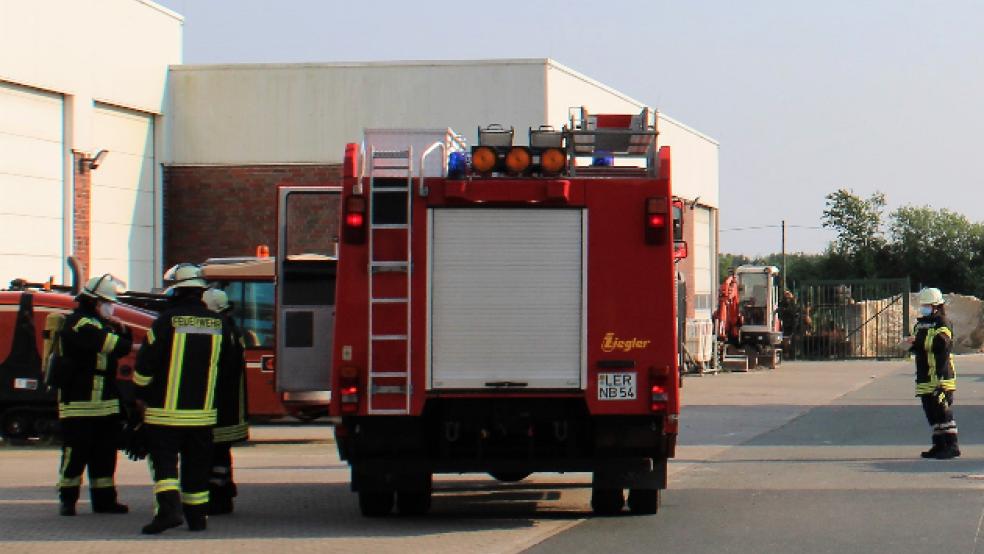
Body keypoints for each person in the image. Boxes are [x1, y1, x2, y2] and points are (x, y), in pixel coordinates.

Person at [133, 264, 234, 534]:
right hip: (203, 414)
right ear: (201, 292)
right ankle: (197, 518)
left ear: (176, 291)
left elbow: (145, 364)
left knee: (165, 465)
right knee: (197, 467)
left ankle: (168, 512)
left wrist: (139, 393)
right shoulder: (219, 323)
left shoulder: (166, 321)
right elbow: (225, 367)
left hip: (164, 413)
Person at [56, 274, 133, 516]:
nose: (111, 307)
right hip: (80, 402)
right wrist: (121, 331)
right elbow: (118, 346)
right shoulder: (81, 324)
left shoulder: (99, 324)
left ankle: (105, 501)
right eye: (107, 303)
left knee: (105, 453)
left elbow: (120, 346)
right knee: (76, 453)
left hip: (105, 402)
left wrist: (121, 329)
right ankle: (68, 500)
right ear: (94, 301)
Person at [202, 288, 248, 515]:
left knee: (213, 454)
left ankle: (216, 498)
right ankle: (224, 492)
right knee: (221, 455)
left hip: (219, 405)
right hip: (230, 406)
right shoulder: (232, 328)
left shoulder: (219, 329)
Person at [910, 287, 959, 459]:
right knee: (931, 412)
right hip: (925, 376)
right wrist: (910, 345)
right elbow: (920, 346)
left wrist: (920, 343)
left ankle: (952, 445)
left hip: (940, 375)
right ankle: (939, 445)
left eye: (927, 305)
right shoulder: (920, 324)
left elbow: (941, 345)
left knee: (942, 411)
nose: (923, 307)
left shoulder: (943, 323)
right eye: (923, 304)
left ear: (936, 306)